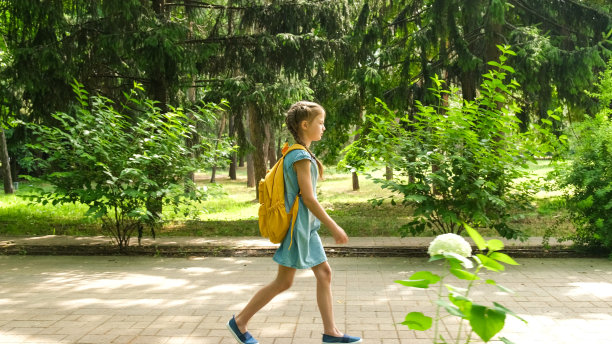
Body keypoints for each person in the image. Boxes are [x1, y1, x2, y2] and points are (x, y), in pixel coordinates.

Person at [226, 101, 363, 344]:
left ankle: (331, 332)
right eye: (320, 123)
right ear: (304, 124)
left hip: (305, 228)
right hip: (299, 229)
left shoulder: (299, 153)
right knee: (286, 281)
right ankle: (240, 322)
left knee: (321, 274)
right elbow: (308, 199)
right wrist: (334, 226)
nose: (323, 127)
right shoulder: (300, 156)